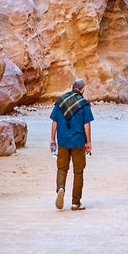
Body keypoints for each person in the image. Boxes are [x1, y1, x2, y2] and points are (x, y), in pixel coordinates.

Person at [50, 78, 94, 210]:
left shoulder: (60, 101)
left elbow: (54, 122)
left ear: (72, 87)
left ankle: (61, 188)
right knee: (78, 172)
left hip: (62, 141)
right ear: (82, 89)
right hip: (78, 142)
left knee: (62, 168)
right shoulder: (84, 104)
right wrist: (88, 142)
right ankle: (75, 203)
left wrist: (52, 139)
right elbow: (87, 125)